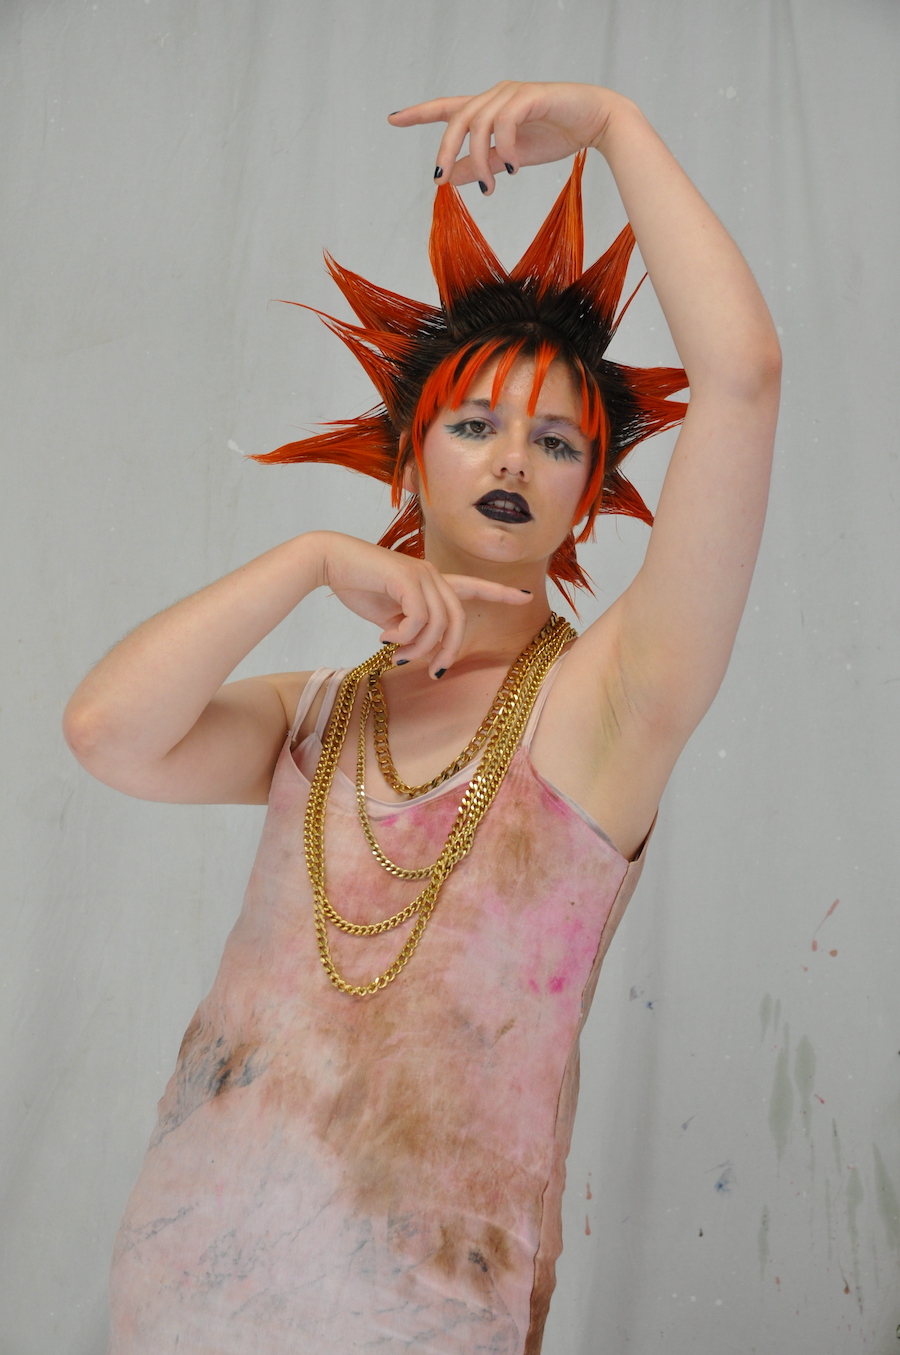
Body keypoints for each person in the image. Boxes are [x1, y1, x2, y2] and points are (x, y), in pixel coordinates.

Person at [63, 81, 780, 1355]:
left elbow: (743, 380)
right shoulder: (319, 714)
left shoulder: (610, 703)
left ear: (592, 491)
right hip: (178, 1294)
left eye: (558, 441)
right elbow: (107, 730)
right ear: (409, 455)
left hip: (423, 1315)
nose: (513, 459)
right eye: (476, 423)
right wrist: (302, 562)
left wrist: (615, 129)